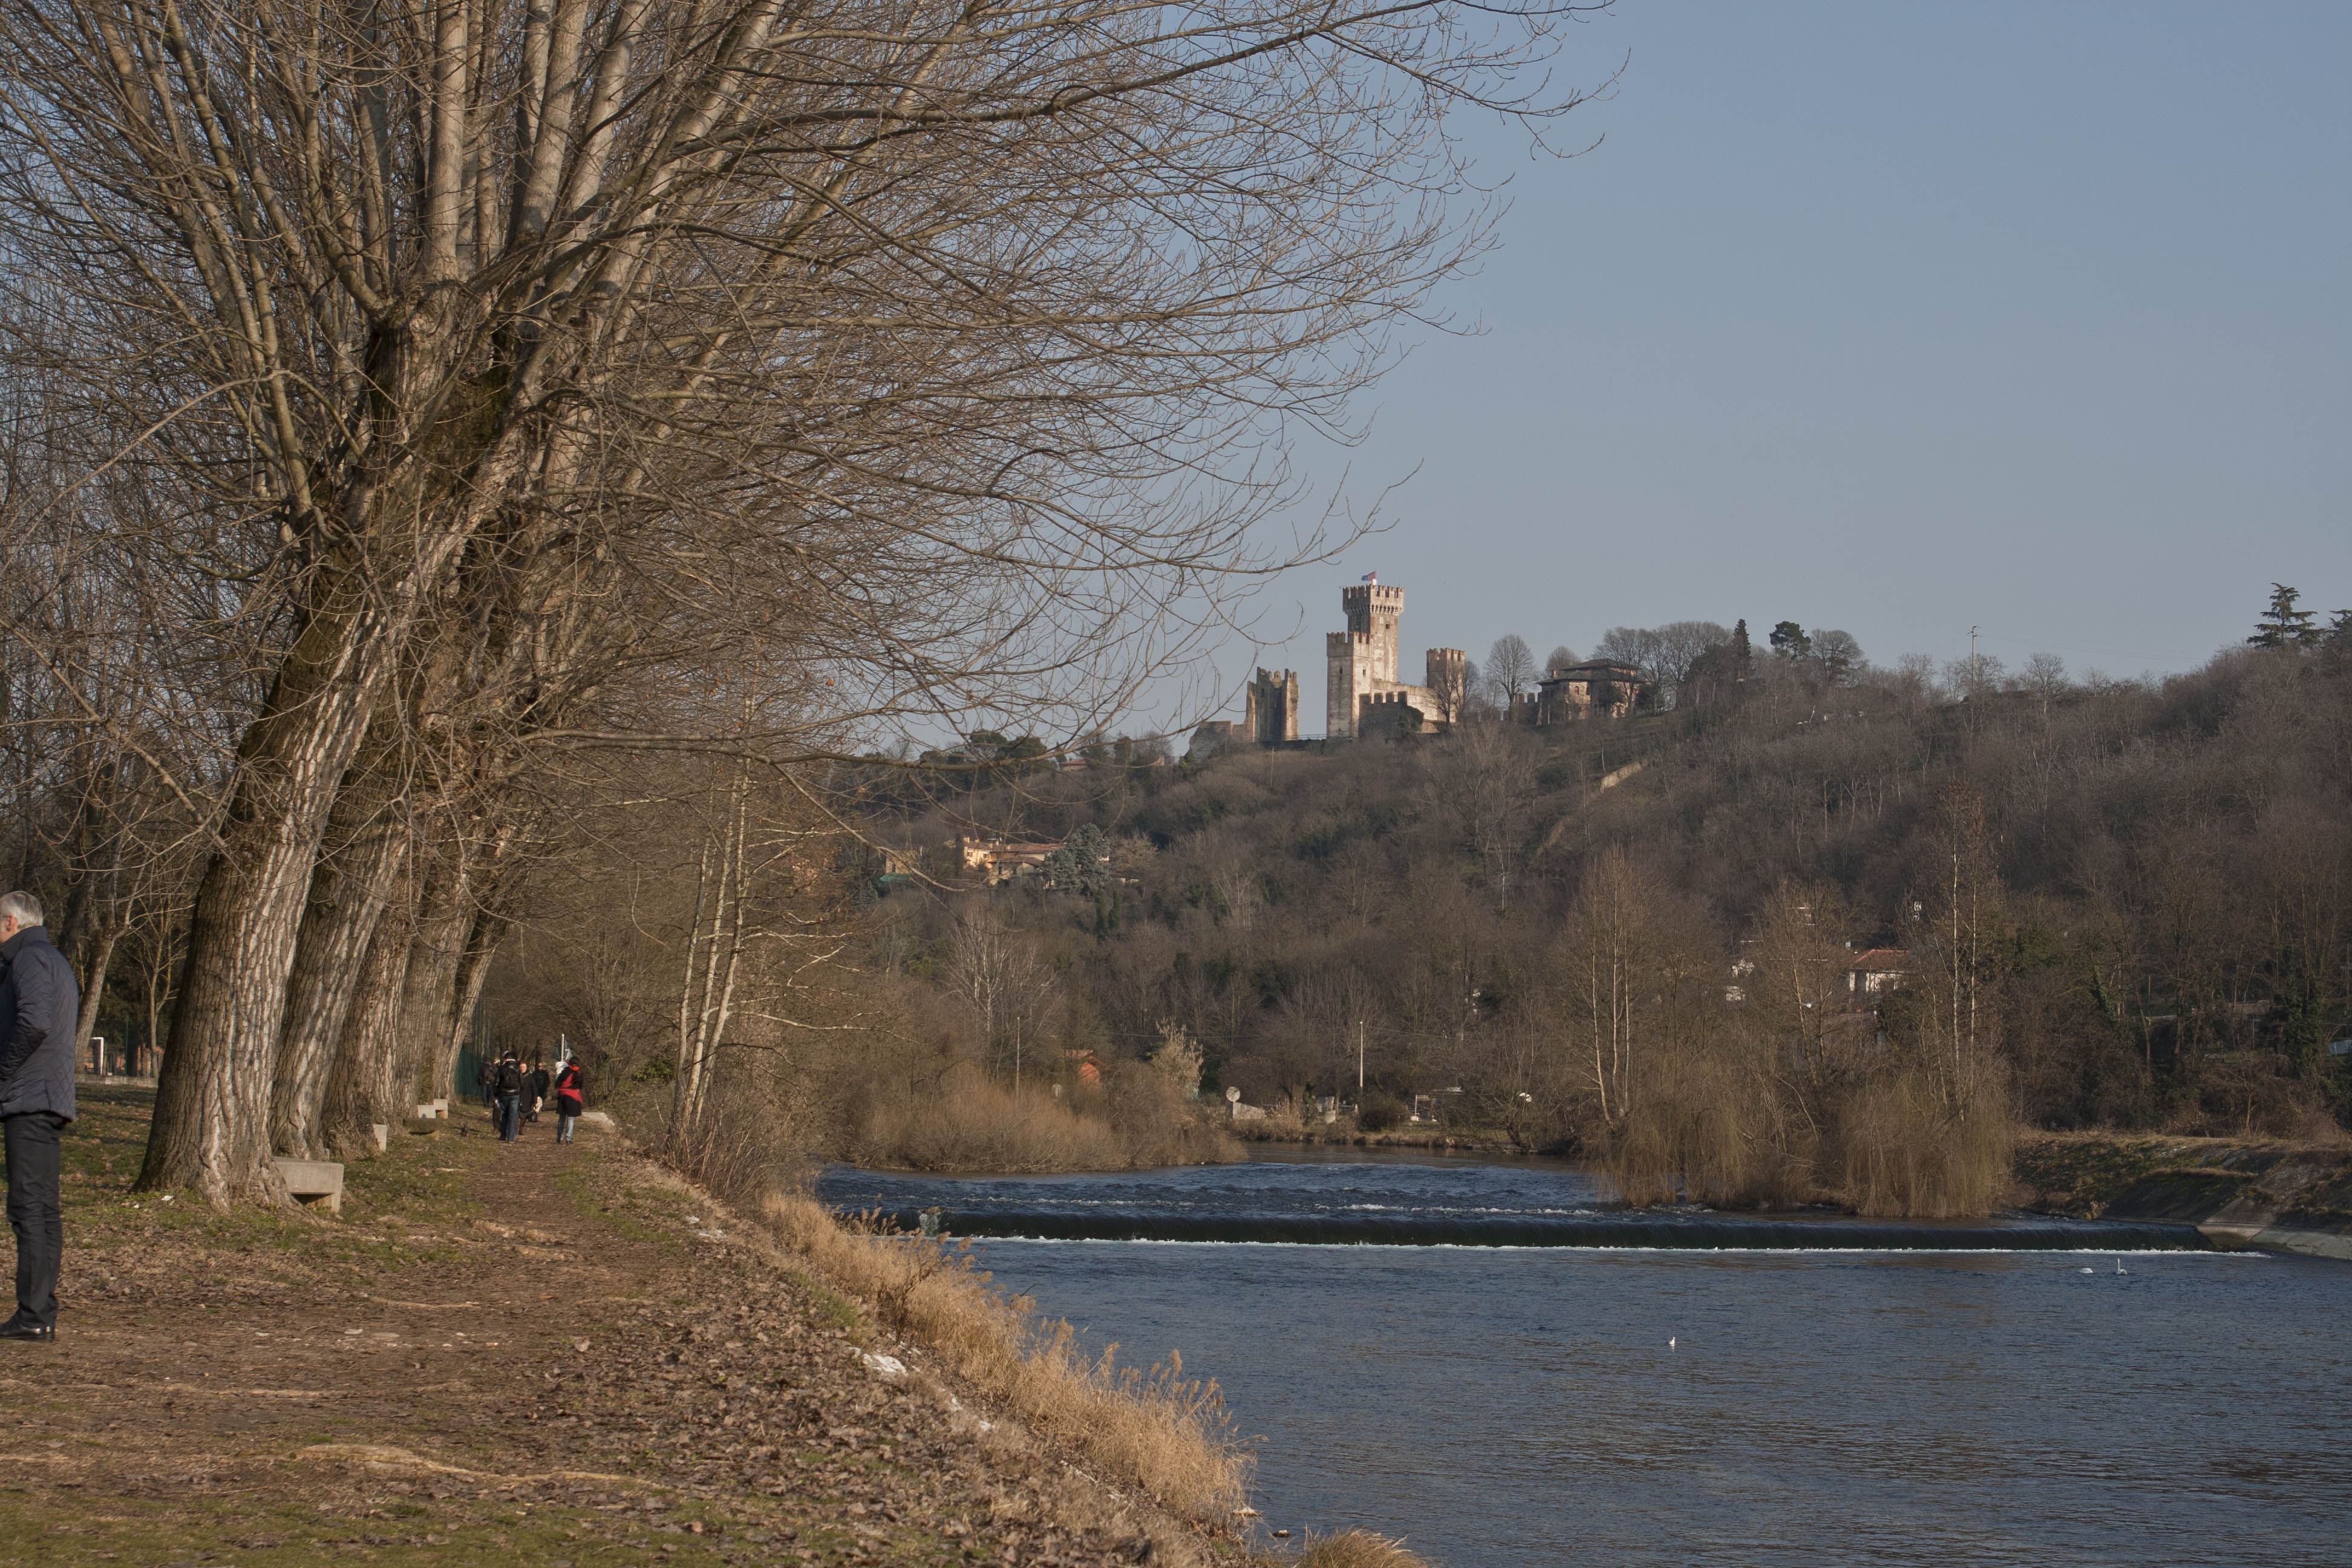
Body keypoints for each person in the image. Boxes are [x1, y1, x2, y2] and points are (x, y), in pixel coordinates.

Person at [0, 891, 77, 1342]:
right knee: (44, 1211)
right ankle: (40, 1311)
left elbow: (34, 1023)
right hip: (49, 1098)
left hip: (29, 1100)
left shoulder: (29, 960)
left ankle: (32, 1316)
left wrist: (3, 1071)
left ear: (11, 922)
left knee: (29, 1210)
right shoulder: (54, 960)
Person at [492, 1052, 525, 1143]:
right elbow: (522, 1083)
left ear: (506, 1058)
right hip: (515, 1095)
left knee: (505, 1114)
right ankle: (511, 1138)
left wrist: (496, 1094)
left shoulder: (501, 1069)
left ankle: (503, 1135)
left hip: (503, 1095)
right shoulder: (518, 1069)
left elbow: (496, 1083)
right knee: (513, 1116)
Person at [552, 1057, 585, 1145]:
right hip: (573, 1097)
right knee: (571, 1119)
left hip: (563, 1097)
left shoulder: (565, 1072)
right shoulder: (579, 1073)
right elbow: (581, 1086)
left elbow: (558, 1083)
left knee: (562, 1118)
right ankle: (569, 1139)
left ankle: (559, 1137)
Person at [526, 1059, 550, 1125]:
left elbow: (548, 1081)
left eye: (541, 1066)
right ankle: (535, 1109)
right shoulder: (534, 1073)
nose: (540, 1067)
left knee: (543, 1098)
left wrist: (546, 1086)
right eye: (539, 1066)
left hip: (543, 1089)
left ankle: (541, 1108)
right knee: (536, 1099)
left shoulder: (545, 1073)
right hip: (536, 1088)